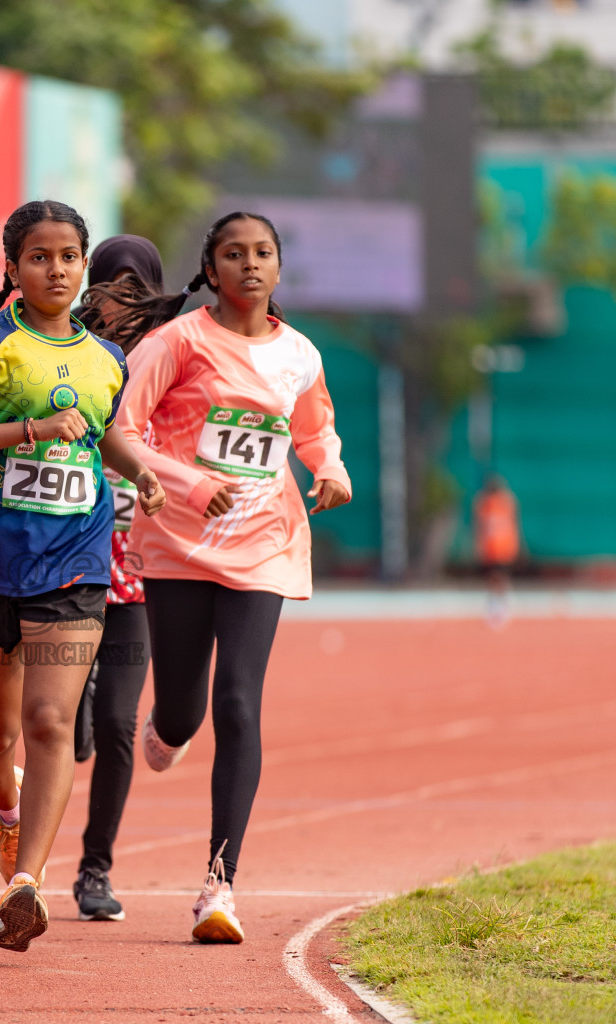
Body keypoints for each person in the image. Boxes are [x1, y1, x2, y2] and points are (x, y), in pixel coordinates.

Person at [0, 200, 165, 952]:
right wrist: (26, 429)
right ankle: (7, 806)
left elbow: (105, 432)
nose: (55, 269)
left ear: (81, 266)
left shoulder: (107, 359)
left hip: (74, 564)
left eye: (67, 257)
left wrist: (142, 474)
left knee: (51, 722)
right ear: (14, 268)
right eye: (39, 257)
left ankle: (26, 887)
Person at [109, 211, 351, 944]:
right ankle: (167, 724)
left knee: (238, 703)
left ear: (278, 270)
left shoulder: (301, 354)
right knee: (185, 711)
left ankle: (220, 885)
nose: (250, 264)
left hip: (264, 544)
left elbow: (313, 428)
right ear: (210, 271)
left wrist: (330, 467)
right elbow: (119, 432)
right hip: (180, 542)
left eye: (263, 253)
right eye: (233, 254)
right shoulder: (174, 342)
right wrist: (182, 482)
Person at [64, 234, 168, 923]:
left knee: (119, 725)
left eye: (139, 287)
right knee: (61, 728)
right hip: (63, 567)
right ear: (91, 289)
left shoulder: (175, 358)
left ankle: (94, 869)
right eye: (112, 284)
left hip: (140, 578)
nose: (123, 300)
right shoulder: (63, 351)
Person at [473, 473, 520, 628]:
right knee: (492, 578)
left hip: (504, 547)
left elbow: (513, 524)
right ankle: (494, 606)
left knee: (502, 577)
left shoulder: (506, 502)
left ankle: (503, 605)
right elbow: (480, 527)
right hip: (490, 548)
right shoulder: (484, 504)